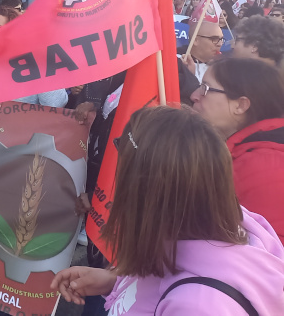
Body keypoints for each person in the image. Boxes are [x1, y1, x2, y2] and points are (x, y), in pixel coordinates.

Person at [52, 105, 284, 315]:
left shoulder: (199, 306)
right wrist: (114, 282)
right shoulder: (203, 223)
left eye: (122, 149)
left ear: (146, 187)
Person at [191, 58, 284, 242]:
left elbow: (265, 254)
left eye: (206, 89)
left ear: (241, 105)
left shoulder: (260, 167)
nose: (194, 95)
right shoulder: (249, 152)